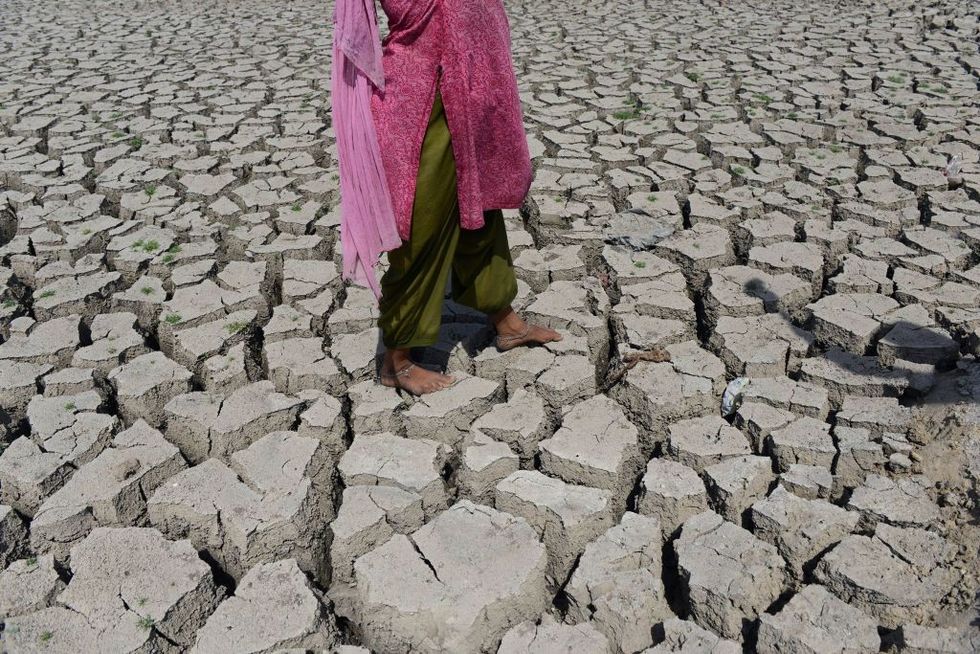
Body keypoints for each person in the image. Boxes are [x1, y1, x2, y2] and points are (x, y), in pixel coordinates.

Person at [331, 0, 561, 395]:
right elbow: (359, 36)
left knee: (480, 211)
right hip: (421, 96)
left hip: (473, 87)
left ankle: (505, 323)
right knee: (423, 224)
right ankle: (396, 361)